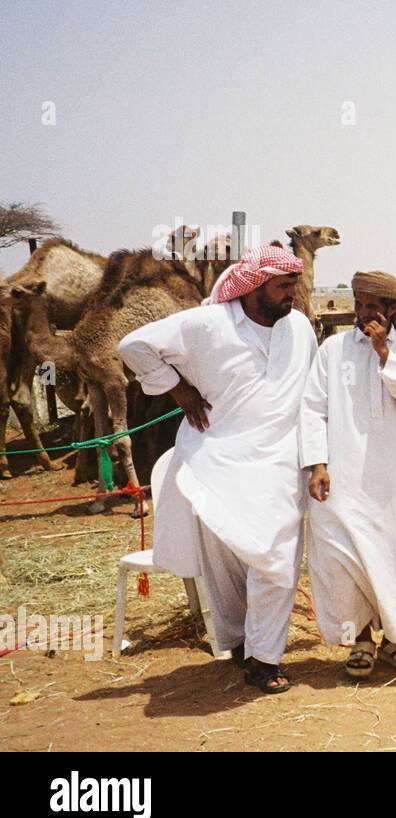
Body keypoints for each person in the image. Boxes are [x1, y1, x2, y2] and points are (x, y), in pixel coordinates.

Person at [118, 245, 317, 694]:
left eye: (294, 284)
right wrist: (177, 388)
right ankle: (243, 644)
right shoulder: (208, 323)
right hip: (219, 461)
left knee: (277, 561)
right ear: (254, 286)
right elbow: (133, 345)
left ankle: (265, 660)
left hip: (281, 465)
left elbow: (311, 393)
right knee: (226, 563)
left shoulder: (299, 326)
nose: (293, 294)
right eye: (285, 285)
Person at [300, 271, 396, 678]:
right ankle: (359, 639)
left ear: (393, 309)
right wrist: (318, 463)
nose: (363, 314)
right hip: (342, 475)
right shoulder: (333, 349)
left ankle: (395, 640)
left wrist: (383, 354)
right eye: (358, 304)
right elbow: (312, 408)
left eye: (372, 307)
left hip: (395, 478)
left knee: (395, 555)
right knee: (341, 558)